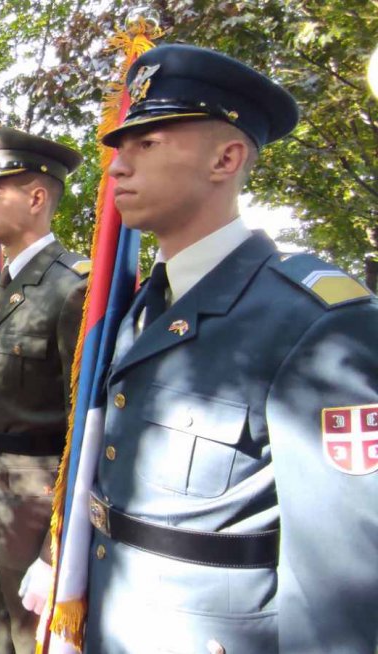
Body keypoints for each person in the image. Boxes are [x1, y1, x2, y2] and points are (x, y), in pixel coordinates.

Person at [83, 45, 378, 653]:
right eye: (120, 147)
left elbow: (340, 592)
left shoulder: (314, 322)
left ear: (227, 157)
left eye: (149, 142)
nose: (117, 168)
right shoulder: (148, 304)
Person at [0, 128, 87, 654]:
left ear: (37, 198)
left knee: (27, 638)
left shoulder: (72, 285)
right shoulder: (6, 281)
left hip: (35, 504)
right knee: (0, 635)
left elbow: (85, 425)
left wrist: (58, 550)